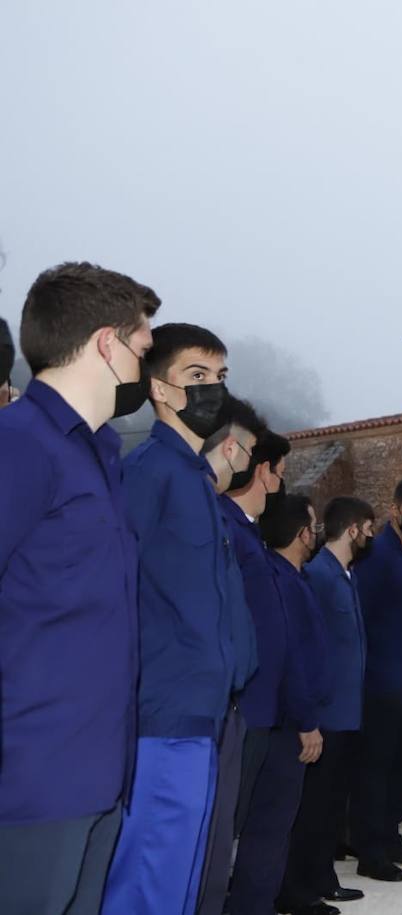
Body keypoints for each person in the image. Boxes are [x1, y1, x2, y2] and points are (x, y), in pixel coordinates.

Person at [0, 263, 156, 914]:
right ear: (104, 343)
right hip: (33, 777)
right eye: (141, 349)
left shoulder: (100, 456)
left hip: (100, 772)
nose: (143, 368)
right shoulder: (19, 444)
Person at [103, 323, 259, 915]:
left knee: (185, 878)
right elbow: (115, 588)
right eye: (196, 376)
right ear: (159, 389)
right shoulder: (148, 472)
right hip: (163, 716)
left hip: (205, 713)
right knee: (150, 877)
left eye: (219, 377)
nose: (212, 390)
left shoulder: (197, 481)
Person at [227, 494, 327, 915]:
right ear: (303, 534)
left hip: (286, 716)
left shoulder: (291, 577)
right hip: (286, 722)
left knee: (273, 826)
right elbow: (290, 658)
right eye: (314, 524)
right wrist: (306, 720)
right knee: (268, 826)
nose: (316, 532)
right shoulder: (283, 580)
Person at [279, 497, 375, 915]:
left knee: (333, 804)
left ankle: (323, 877)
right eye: (367, 527)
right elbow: (306, 647)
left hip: (348, 710)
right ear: (352, 528)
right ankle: (302, 886)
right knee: (314, 807)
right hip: (326, 711)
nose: (371, 535)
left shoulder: (345, 575)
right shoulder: (317, 575)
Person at [197, 398, 272, 915]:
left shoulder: (232, 523)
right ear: (232, 448)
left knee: (224, 831)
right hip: (207, 702)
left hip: (235, 697)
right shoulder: (212, 512)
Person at [351, 478, 402, 881]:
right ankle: (370, 851)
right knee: (377, 768)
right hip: (382, 681)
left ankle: (391, 835)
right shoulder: (376, 554)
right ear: (395, 509)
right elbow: (360, 617)